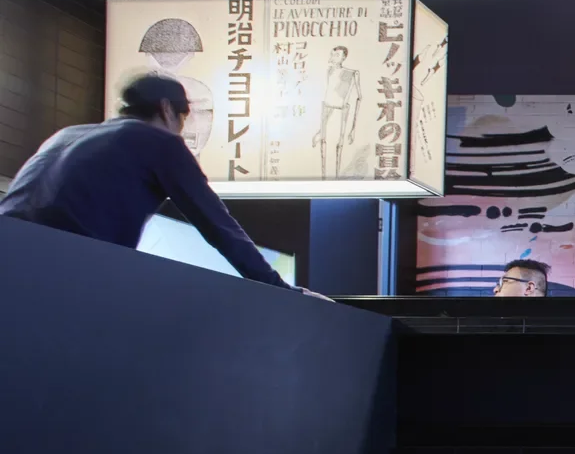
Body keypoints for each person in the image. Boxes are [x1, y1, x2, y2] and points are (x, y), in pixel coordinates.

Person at [0, 74, 298, 290]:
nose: (182, 129)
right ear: (167, 109)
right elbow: (218, 226)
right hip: (68, 266)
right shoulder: (161, 143)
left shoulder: (65, 134)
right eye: (184, 117)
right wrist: (280, 289)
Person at [313, 46, 361, 179]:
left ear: (344, 57)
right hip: (327, 109)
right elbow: (328, 94)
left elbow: (359, 97)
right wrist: (320, 129)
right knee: (323, 142)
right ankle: (324, 180)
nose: (334, 57)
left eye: (337, 55)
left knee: (339, 145)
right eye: (333, 54)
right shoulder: (329, 71)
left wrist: (353, 128)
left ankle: (336, 180)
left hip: (342, 110)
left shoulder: (352, 73)